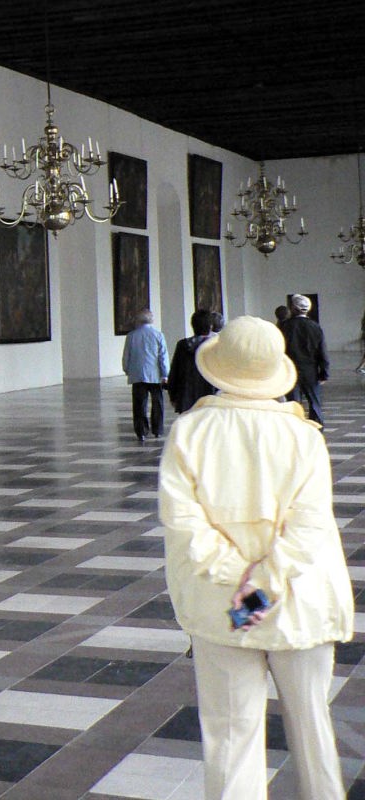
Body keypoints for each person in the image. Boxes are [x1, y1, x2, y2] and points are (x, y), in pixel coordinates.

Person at [159, 315, 353, 800]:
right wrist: (264, 583)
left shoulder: (189, 432)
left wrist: (239, 582)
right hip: (298, 601)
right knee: (313, 732)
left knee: (230, 739)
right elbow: (309, 527)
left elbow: (183, 525)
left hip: (223, 607)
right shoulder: (303, 436)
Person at [280, 293, 329, 425]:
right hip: (310, 371)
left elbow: (280, 350)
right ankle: (317, 429)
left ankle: (295, 428)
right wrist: (324, 373)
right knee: (314, 403)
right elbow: (322, 352)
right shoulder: (315, 326)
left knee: (294, 404)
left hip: (290, 371)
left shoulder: (285, 326)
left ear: (293, 308)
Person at [122, 309, 169, 441]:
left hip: (137, 374)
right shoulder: (158, 335)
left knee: (139, 404)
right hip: (155, 374)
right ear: (151, 320)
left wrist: (127, 369)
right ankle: (157, 429)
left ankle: (141, 431)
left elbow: (126, 355)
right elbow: (163, 356)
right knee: (157, 402)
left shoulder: (131, 335)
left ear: (138, 320)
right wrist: (165, 374)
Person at [167, 309, 223, 414]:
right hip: (211, 395)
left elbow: (175, 372)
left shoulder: (182, 345)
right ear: (211, 326)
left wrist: (173, 396)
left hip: (187, 396)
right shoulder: (216, 346)